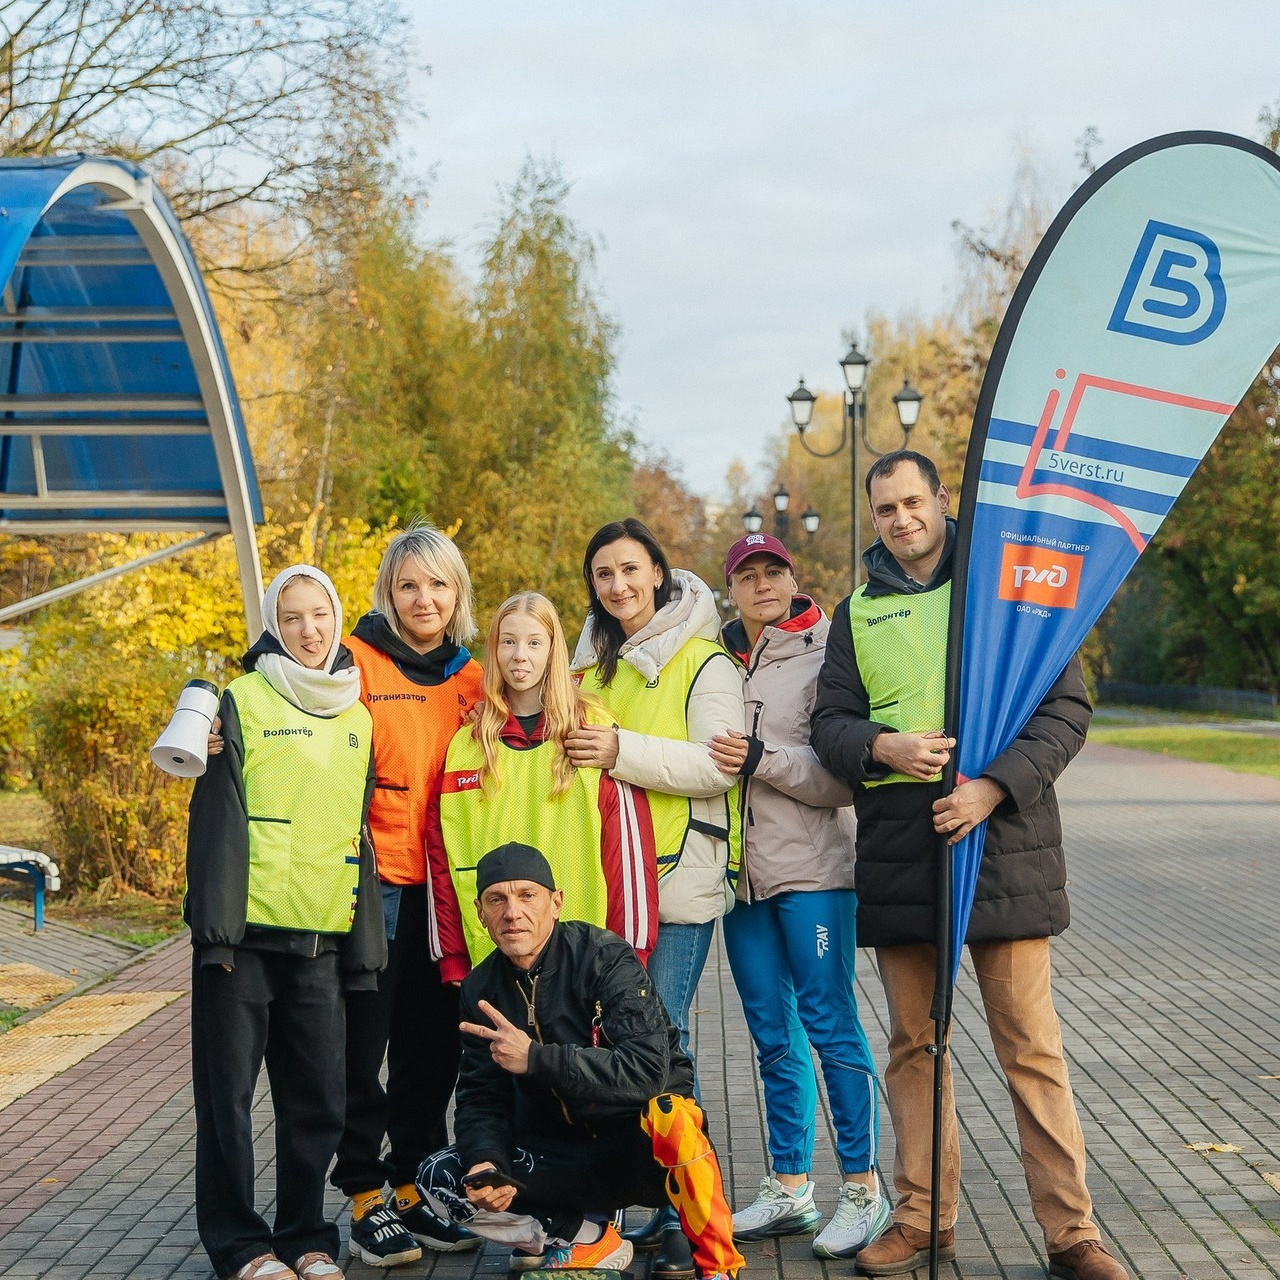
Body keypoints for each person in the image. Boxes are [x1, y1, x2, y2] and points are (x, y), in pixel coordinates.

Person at [809, 450, 1128, 1280]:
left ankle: (1073, 1236)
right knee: (914, 1047)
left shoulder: (1010, 591)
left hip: (1005, 851)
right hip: (900, 856)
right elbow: (830, 723)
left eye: (914, 502)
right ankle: (922, 1220)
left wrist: (991, 789)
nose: (901, 519)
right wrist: (883, 745)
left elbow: (1067, 710)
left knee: (1030, 1047)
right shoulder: (857, 614)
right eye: (885, 509)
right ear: (873, 517)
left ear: (943, 500)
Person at [417, 843, 745, 1280]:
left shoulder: (605, 958)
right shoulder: (481, 987)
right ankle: (585, 1237)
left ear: (556, 903)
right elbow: (481, 1097)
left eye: (527, 895)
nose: (512, 912)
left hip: (633, 1152)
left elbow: (649, 1072)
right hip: (555, 1155)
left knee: (674, 1115)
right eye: (497, 899)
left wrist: (536, 1058)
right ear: (480, 911)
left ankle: (719, 1265)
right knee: (438, 1177)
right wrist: (486, 1161)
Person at [186, 565, 385, 1280]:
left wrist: (362, 947)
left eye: (321, 615)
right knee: (228, 1109)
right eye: (293, 617)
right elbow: (212, 822)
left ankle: (305, 1237)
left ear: (337, 619)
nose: (309, 630)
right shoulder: (238, 701)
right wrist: (212, 937)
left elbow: (357, 835)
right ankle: (241, 1247)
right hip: (241, 945)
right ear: (276, 624)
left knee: (319, 1106)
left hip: (321, 944)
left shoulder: (358, 712)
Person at [567, 518, 744, 1277]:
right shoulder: (589, 668)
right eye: (603, 574)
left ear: (662, 576)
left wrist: (620, 753)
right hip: (607, 886)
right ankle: (642, 1200)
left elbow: (718, 766)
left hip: (676, 884)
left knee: (660, 1044)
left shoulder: (705, 663)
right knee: (619, 1047)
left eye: (631, 570)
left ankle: (691, 1216)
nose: (618, 586)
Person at [710, 533, 888, 1259]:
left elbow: (844, 778)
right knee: (771, 1036)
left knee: (830, 1024)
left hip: (813, 872)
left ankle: (863, 1189)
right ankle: (790, 1185)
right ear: (732, 590)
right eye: (747, 575)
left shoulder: (827, 652)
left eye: (772, 572)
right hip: (741, 878)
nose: (761, 585)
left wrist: (764, 760)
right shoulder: (716, 660)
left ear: (793, 579)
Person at [332, 524, 486, 1266]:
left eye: (437, 584)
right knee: (365, 1045)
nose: (424, 599)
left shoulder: (473, 678)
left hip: (447, 892)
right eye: (408, 585)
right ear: (388, 595)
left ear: (457, 594)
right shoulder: (353, 661)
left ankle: (413, 1184)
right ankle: (363, 1192)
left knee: (433, 1048)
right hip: (376, 887)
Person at [427, 590, 659, 979]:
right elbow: (442, 857)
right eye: (508, 641)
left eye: (534, 642)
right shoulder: (467, 745)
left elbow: (628, 855)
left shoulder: (593, 731)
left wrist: (628, 956)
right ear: (494, 650)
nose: (520, 655)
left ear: (554, 651)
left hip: (584, 963)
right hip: (490, 963)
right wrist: (452, 957)